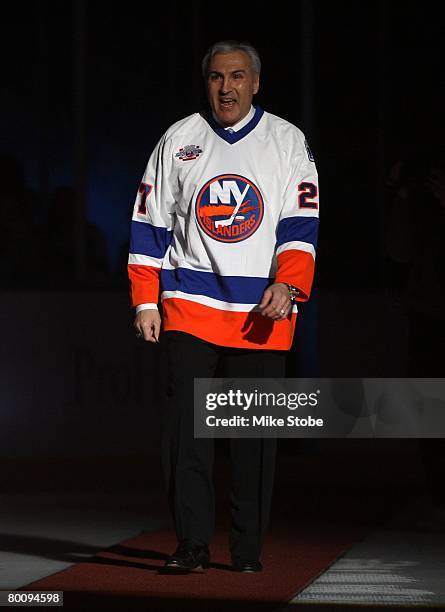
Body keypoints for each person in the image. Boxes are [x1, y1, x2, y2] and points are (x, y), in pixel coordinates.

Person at [128, 40, 319, 573]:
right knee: (187, 434)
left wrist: (290, 286)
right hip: (188, 307)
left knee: (253, 443)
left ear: (256, 83)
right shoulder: (179, 139)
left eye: (237, 76)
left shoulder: (286, 140)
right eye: (216, 77)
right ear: (206, 82)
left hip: (262, 314)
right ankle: (191, 543)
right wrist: (146, 300)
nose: (226, 87)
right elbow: (149, 225)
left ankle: (246, 550)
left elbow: (300, 225)